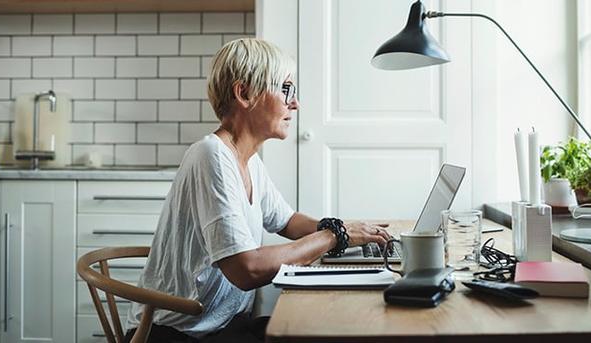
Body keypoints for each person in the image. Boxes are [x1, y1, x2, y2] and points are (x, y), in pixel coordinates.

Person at [124, 38, 391, 343]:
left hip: (219, 327)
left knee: (317, 327)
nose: (295, 103)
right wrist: (332, 238)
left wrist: (343, 229)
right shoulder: (211, 155)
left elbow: (288, 222)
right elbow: (246, 269)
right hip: (176, 334)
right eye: (286, 89)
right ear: (244, 93)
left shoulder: (249, 161)